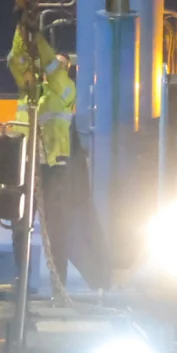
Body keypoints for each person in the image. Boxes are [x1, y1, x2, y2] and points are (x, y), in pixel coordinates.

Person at [6, 28, 109, 290]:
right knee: (19, 226)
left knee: (56, 231)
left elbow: (51, 68)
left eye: (62, 65)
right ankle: (22, 279)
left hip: (53, 169)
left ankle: (58, 285)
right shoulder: (30, 92)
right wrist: (22, 31)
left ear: (68, 69)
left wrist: (38, 39)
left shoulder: (66, 90)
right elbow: (15, 60)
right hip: (27, 166)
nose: (56, 68)